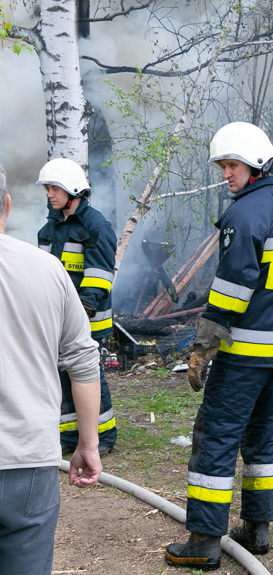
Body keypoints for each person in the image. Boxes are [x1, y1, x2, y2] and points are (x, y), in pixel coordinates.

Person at [166, 122, 273, 570]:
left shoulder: (244, 214)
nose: (226, 174)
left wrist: (203, 345)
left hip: (244, 353)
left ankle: (205, 541)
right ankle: (257, 530)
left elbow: (232, 290)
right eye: (224, 166)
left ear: (257, 164)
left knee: (215, 440)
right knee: (264, 440)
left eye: (232, 165)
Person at [0, 163, 103, 575]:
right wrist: (88, 444)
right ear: (7, 205)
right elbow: (82, 360)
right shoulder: (46, 269)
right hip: (29, 463)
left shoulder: (87, 229)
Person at [36, 158, 118, 455]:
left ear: (72, 191)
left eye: (54, 188)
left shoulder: (95, 225)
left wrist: (82, 310)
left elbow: (99, 275)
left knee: (88, 373)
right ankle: (70, 437)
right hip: (59, 318)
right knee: (61, 375)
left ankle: (104, 436)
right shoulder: (50, 229)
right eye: (47, 189)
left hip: (88, 319)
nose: (49, 194)